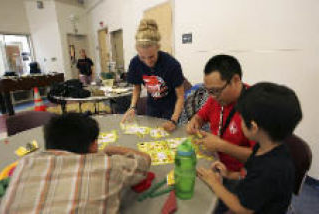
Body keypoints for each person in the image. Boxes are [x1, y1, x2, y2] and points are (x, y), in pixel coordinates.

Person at [0, 113, 151, 213]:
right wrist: (112, 149)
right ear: (93, 145)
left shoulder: (25, 163)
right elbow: (145, 160)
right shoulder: (106, 165)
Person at [197, 82, 302, 213]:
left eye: (241, 119)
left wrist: (214, 183)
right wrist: (230, 174)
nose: (239, 123)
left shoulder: (270, 170)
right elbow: (248, 174)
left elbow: (242, 209)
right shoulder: (264, 146)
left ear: (253, 127)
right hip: (249, 195)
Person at [187, 55, 254, 172]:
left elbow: (262, 157)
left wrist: (222, 146)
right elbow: (201, 116)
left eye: (216, 91)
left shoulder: (257, 105)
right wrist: (196, 121)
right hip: (213, 162)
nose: (212, 96)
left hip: (239, 175)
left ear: (236, 80)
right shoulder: (217, 98)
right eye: (209, 91)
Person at [121, 19, 185, 132]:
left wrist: (174, 120)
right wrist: (132, 107)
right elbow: (137, 88)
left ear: (158, 48)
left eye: (151, 57)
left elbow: (180, 96)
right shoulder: (135, 63)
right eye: (142, 57)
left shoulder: (172, 65)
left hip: (171, 108)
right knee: (151, 136)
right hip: (152, 107)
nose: (147, 61)